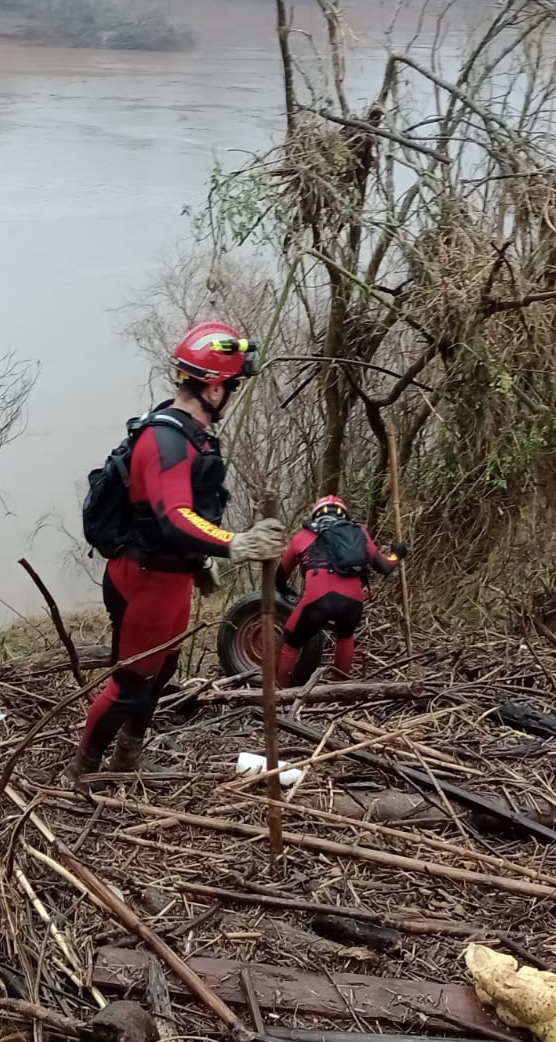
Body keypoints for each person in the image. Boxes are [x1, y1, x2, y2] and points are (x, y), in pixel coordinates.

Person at [65, 321, 287, 782]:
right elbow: (174, 516)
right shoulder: (166, 439)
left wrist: (199, 561)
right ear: (213, 387)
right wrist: (235, 543)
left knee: (162, 669)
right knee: (130, 683)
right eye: (231, 386)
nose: (232, 395)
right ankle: (81, 772)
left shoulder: (189, 430)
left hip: (171, 578)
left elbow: (179, 513)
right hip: (144, 579)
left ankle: (127, 757)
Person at [275, 495, 403, 686]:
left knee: (291, 642)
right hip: (352, 601)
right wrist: (397, 554)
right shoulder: (359, 532)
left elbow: (281, 574)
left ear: (316, 514)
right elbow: (384, 566)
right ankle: (340, 689)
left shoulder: (302, 536)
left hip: (317, 599)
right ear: (344, 514)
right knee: (345, 638)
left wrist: (283, 589)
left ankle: (282, 690)